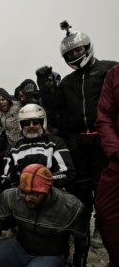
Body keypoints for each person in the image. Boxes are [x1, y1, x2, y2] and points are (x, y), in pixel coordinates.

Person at [36, 21, 117, 244]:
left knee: (105, 189)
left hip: (105, 139)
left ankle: (104, 231)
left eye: (78, 50)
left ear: (88, 47)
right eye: (70, 52)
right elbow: (54, 105)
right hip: (77, 141)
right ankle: (81, 230)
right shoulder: (68, 81)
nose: (75, 54)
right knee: (80, 188)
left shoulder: (110, 69)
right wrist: (44, 82)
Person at [2, 104, 75, 189]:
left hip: (51, 191)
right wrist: (22, 180)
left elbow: (68, 173)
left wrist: (40, 181)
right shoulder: (13, 148)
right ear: (21, 126)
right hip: (23, 191)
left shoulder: (55, 142)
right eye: (26, 123)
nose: (31, 126)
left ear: (43, 123)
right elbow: (5, 177)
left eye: (36, 122)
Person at [93, 64, 119, 267]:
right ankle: (117, 260)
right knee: (104, 209)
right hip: (118, 157)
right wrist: (115, 149)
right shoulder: (114, 74)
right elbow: (104, 117)